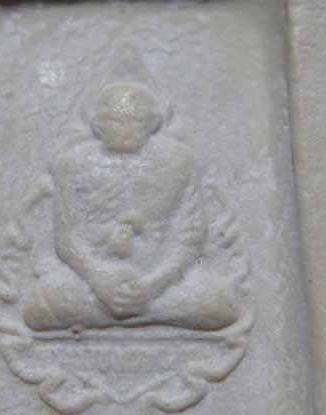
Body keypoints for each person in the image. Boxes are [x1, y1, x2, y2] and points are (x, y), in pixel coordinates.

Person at [24, 84, 240, 332]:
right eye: (114, 121)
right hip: (90, 280)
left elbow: (191, 238)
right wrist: (98, 278)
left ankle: (128, 314)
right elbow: (67, 240)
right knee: (39, 305)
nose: (124, 129)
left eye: (136, 121)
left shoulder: (179, 161)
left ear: (152, 124)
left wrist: (152, 286)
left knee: (220, 303)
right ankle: (145, 315)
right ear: (97, 125)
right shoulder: (71, 164)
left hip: (161, 280)